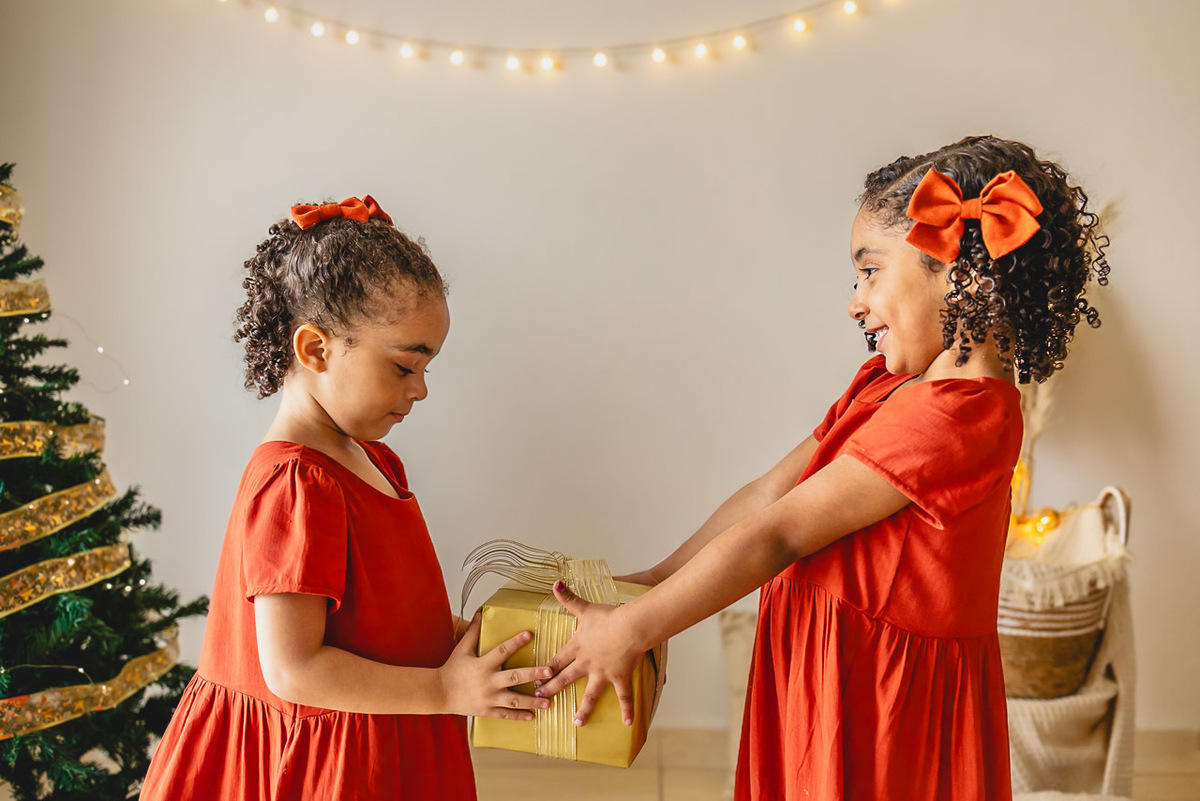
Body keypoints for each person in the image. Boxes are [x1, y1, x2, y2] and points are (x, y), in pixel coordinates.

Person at [537, 136, 1110, 800]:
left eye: (870, 271)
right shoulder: (886, 386)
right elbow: (766, 496)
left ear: (963, 276)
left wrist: (639, 628)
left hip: (879, 709)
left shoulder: (961, 416)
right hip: (824, 682)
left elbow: (781, 534)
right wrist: (656, 582)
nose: (854, 301)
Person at [140, 196, 552, 801]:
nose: (419, 391)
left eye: (427, 369)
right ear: (315, 350)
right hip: (320, 765)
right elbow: (294, 669)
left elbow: (377, 616)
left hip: (382, 732)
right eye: (404, 367)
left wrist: (466, 636)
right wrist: (442, 692)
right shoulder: (296, 484)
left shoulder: (374, 459)